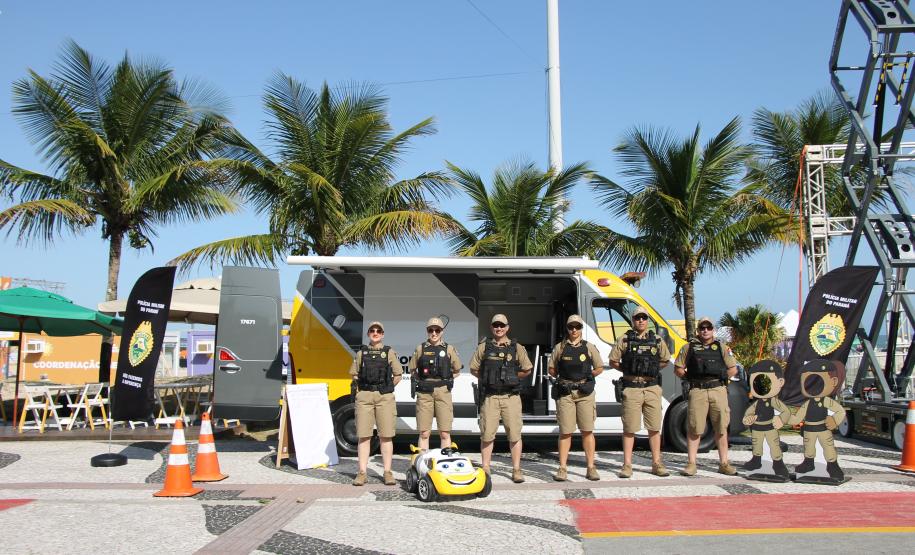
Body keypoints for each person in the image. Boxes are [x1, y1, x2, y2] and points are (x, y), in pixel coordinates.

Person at [469, 314, 533, 483]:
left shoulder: (516, 347)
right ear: (491, 328)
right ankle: (486, 467)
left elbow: (527, 369)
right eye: (496, 325)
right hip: (490, 397)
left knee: (514, 435)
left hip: (510, 397)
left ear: (507, 327)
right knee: (487, 435)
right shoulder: (484, 347)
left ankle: (517, 470)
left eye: (502, 325)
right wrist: (487, 377)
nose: (499, 328)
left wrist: (513, 376)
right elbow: (473, 368)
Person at [608, 306, 671, 478]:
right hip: (632, 388)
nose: (641, 320)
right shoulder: (625, 339)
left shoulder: (657, 340)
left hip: (651, 388)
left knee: (654, 428)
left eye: (644, 317)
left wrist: (652, 369)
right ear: (633, 320)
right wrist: (627, 369)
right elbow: (613, 360)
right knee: (629, 428)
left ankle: (656, 463)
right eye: (637, 318)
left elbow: (665, 359)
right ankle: (627, 465)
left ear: (648, 320)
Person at [674, 316, 738, 476]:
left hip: (718, 389)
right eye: (702, 328)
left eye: (708, 327)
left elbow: (733, 368)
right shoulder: (688, 347)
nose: (705, 330)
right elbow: (678, 368)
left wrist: (723, 376)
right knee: (695, 427)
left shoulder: (722, 347)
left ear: (713, 330)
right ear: (698, 330)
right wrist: (689, 377)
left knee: (721, 427)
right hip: (698, 390)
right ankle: (691, 463)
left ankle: (724, 463)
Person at [549, 314, 604, 481]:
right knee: (565, 432)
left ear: (581, 329)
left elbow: (599, 367)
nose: (574, 330)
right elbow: (552, 368)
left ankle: (590, 467)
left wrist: (587, 376)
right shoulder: (560, 347)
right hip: (566, 393)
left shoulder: (589, 347)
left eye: (577, 327)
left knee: (587, 430)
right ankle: (563, 468)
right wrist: (562, 378)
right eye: (571, 327)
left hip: (584, 393)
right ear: (567, 328)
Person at [349, 321, 402, 486]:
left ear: (383, 334)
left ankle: (387, 472)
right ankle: (362, 473)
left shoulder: (389, 352)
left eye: (378, 330)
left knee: (386, 436)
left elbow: (398, 374)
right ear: (368, 334)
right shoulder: (361, 353)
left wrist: (386, 388)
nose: (375, 333)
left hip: (384, 397)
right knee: (364, 436)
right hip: (365, 396)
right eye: (372, 330)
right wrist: (363, 388)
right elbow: (354, 374)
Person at [408, 317, 463, 450]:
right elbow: (412, 369)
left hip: (443, 393)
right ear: (427, 331)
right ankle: (422, 465)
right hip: (424, 393)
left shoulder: (449, 349)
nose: (434, 333)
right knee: (424, 433)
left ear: (442, 331)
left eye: (437, 330)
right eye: (431, 330)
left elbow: (457, 370)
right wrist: (422, 381)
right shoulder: (420, 348)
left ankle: (445, 462)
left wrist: (447, 380)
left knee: (444, 433)